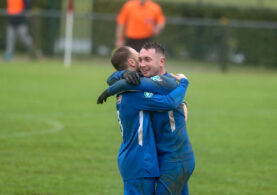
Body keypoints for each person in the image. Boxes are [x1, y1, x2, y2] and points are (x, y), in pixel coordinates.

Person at [99, 42, 195, 195]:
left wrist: (113, 84)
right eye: (140, 59)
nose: (142, 64)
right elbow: (168, 100)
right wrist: (121, 75)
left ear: (161, 61)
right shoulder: (135, 89)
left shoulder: (166, 81)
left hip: (175, 158)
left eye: (147, 60)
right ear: (132, 62)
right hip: (148, 159)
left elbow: (170, 100)